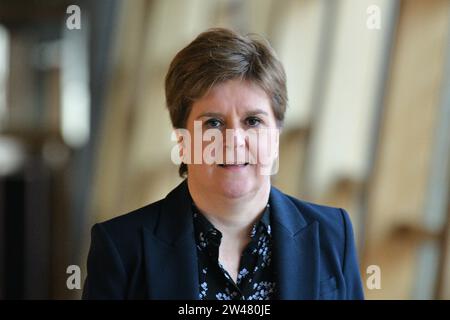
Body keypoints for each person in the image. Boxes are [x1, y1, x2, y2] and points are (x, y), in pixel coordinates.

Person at [82, 28, 364, 300]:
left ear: (276, 136)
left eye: (253, 121)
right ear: (182, 141)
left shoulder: (333, 234)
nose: (234, 141)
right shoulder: (121, 248)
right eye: (213, 123)